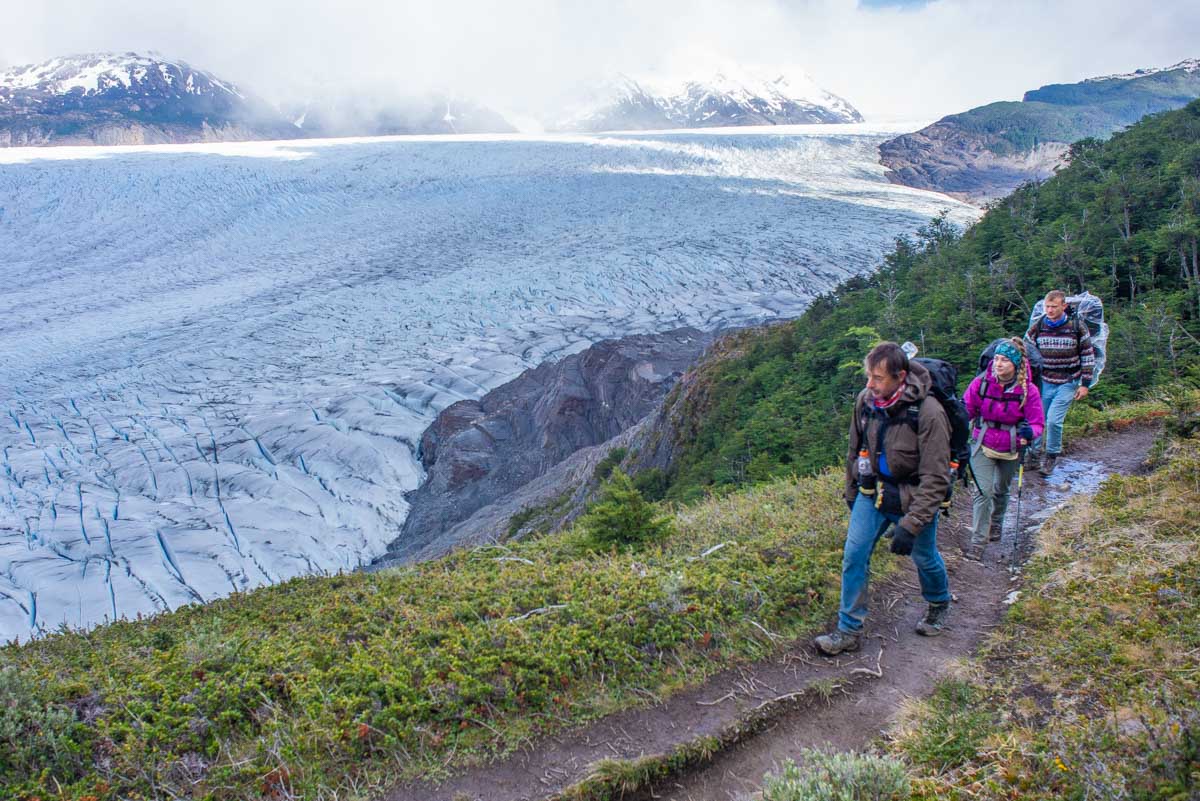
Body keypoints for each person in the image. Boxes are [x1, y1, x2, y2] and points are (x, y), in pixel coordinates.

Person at [814, 342, 953, 656]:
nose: (870, 385)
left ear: (900, 376)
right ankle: (848, 630)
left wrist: (911, 524)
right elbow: (854, 450)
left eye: (877, 378)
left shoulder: (929, 413)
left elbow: (936, 477)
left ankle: (938, 602)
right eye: (869, 376)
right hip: (873, 491)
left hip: (912, 496)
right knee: (854, 555)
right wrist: (851, 494)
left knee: (924, 557)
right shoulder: (865, 402)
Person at [962, 338, 1044, 559]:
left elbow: (1037, 423)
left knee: (1001, 489)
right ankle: (978, 543)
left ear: (1015, 364)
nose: (998, 364)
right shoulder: (981, 383)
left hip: (1012, 445)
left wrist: (1031, 433)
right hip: (982, 442)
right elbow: (966, 409)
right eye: (997, 359)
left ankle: (996, 523)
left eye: (1004, 360)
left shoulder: (1029, 391)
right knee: (983, 492)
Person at [1026, 289, 1095, 476]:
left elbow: (1088, 355)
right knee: (1038, 418)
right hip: (1045, 379)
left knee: (1054, 421)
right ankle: (1033, 454)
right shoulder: (1039, 325)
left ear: (1064, 306)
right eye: (1047, 306)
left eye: (1054, 306)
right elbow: (1027, 348)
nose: (1049, 310)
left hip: (1068, 379)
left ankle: (1051, 456)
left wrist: (1085, 384)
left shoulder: (1077, 327)